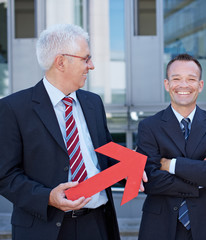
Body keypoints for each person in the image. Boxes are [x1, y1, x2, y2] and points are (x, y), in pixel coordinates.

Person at [0, 24, 146, 240]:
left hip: (97, 224)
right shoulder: (14, 108)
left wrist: (129, 166)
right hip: (45, 228)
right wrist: (47, 197)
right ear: (61, 62)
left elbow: (104, 155)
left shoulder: (93, 103)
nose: (92, 65)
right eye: (85, 59)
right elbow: (5, 176)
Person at [136, 53, 206, 240]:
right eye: (176, 79)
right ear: (167, 84)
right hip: (160, 224)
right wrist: (202, 172)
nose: (183, 85)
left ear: (200, 85)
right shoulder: (149, 126)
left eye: (191, 79)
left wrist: (170, 165)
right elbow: (150, 179)